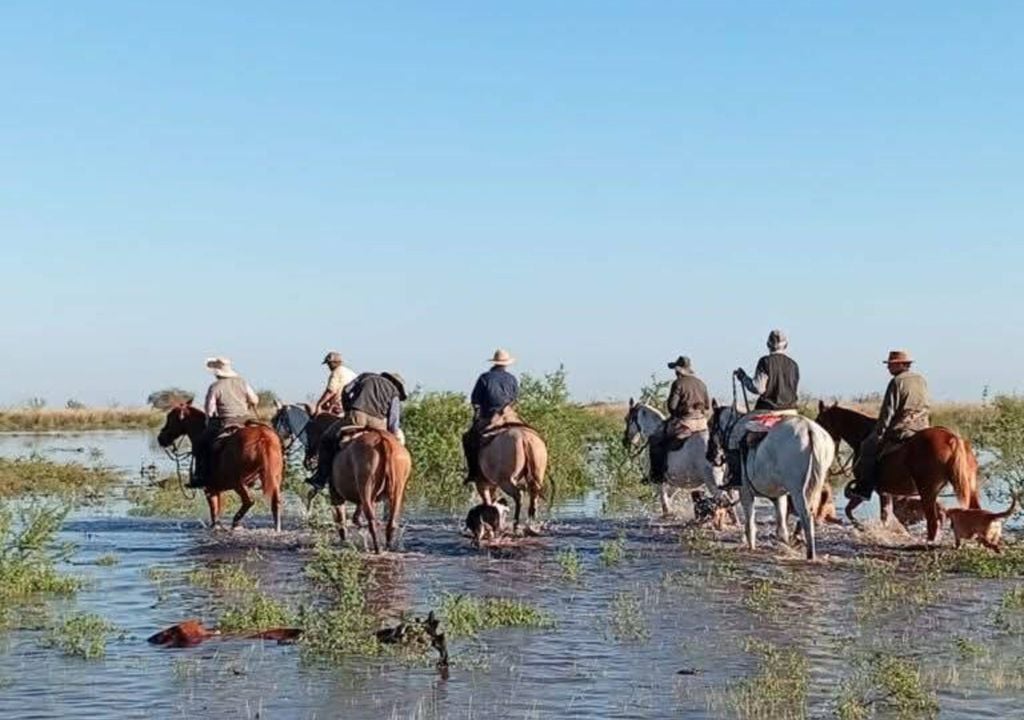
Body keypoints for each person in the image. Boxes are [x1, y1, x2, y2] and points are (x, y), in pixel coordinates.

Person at [846, 350, 930, 501]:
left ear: (900, 365)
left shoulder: (897, 382)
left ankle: (864, 488)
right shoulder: (921, 379)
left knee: (867, 447)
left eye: (891, 365)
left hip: (903, 428)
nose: (888, 368)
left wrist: (879, 432)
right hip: (923, 426)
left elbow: (888, 411)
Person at [723, 329, 801, 488]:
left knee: (735, 436)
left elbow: (758, 388)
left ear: (768, 345)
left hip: (769, 412)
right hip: (792, 413)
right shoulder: (794, 365)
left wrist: (743, 378)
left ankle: (736, 478)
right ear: (786, 345)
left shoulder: (765, 362)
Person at [308, 371, 408, 490]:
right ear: (398, 386)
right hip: (378, 423)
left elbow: (346, 390)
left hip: (357, 417)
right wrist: (392, 434)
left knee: (326, 438)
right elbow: (393, 417)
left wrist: (348, 409)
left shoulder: (366, 376)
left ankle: (321, 478)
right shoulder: (394, 392)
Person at [191, 357, 258, 488]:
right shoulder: (242, 382)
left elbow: (210, 410)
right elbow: (255, 400)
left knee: (200, 444)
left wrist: (208, 420)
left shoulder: (215, 386)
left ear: (217, 373)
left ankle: (200, 475)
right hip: (245, 420)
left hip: (226, 422)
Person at [645, 356, 711, 484]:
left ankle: (657, 475)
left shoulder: (678, 384)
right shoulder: (701, 383)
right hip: (703, 423)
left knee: (656, 440)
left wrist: (676, 414)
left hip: (686, 422)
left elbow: (672, 407)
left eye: (675, 370)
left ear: (678, 370)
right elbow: (707, 405)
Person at [463, 349, 520, 485]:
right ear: (506, 364)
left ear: (494, 362)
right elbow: (514, 398)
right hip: (509, 415)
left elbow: (475, 400)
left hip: (490, 416)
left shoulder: (485, 377)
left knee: (468, 438)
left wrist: (478, 415)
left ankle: (473, 472)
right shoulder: (512, 378)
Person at [313, 351, 356, 416]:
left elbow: (331, 391)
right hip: (352, 407)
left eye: (329, 364)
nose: (328, 366)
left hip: (339, 407)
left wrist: (319, 404)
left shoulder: (336, 372)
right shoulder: (351, 373)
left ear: (333, 363)